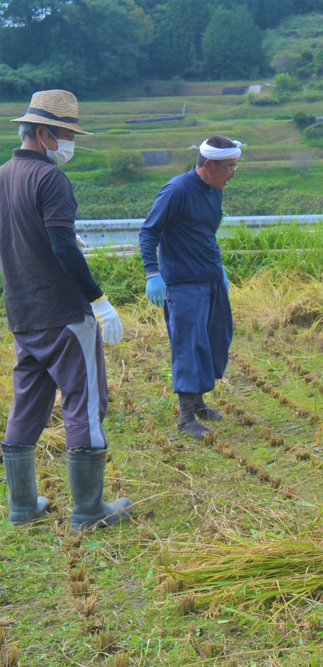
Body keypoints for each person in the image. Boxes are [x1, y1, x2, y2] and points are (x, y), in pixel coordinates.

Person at [0, 89, 132, 529]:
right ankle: (90, 510)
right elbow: (60, 244)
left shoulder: (3, 176)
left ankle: (21, 507)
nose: (70, 143)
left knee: (26, 407)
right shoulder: (51, 180)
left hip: (22, 312)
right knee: (84, 403)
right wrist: (98, 299)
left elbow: (23, 239)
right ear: (42, 133)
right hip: (63, 313)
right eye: (65, 134)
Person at [139, 136, 240, 439]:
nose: (233, 173)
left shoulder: (215, 190)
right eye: (230, 167)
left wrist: (219, 267)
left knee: (213, 340)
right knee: (188, 345)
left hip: (209, 277)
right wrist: (153, 273)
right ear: (209, 165)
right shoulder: (177, 190)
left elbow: (206, 233)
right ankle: (185, 417)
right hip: (183, 283)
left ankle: (198, 403)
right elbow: (148, 232)